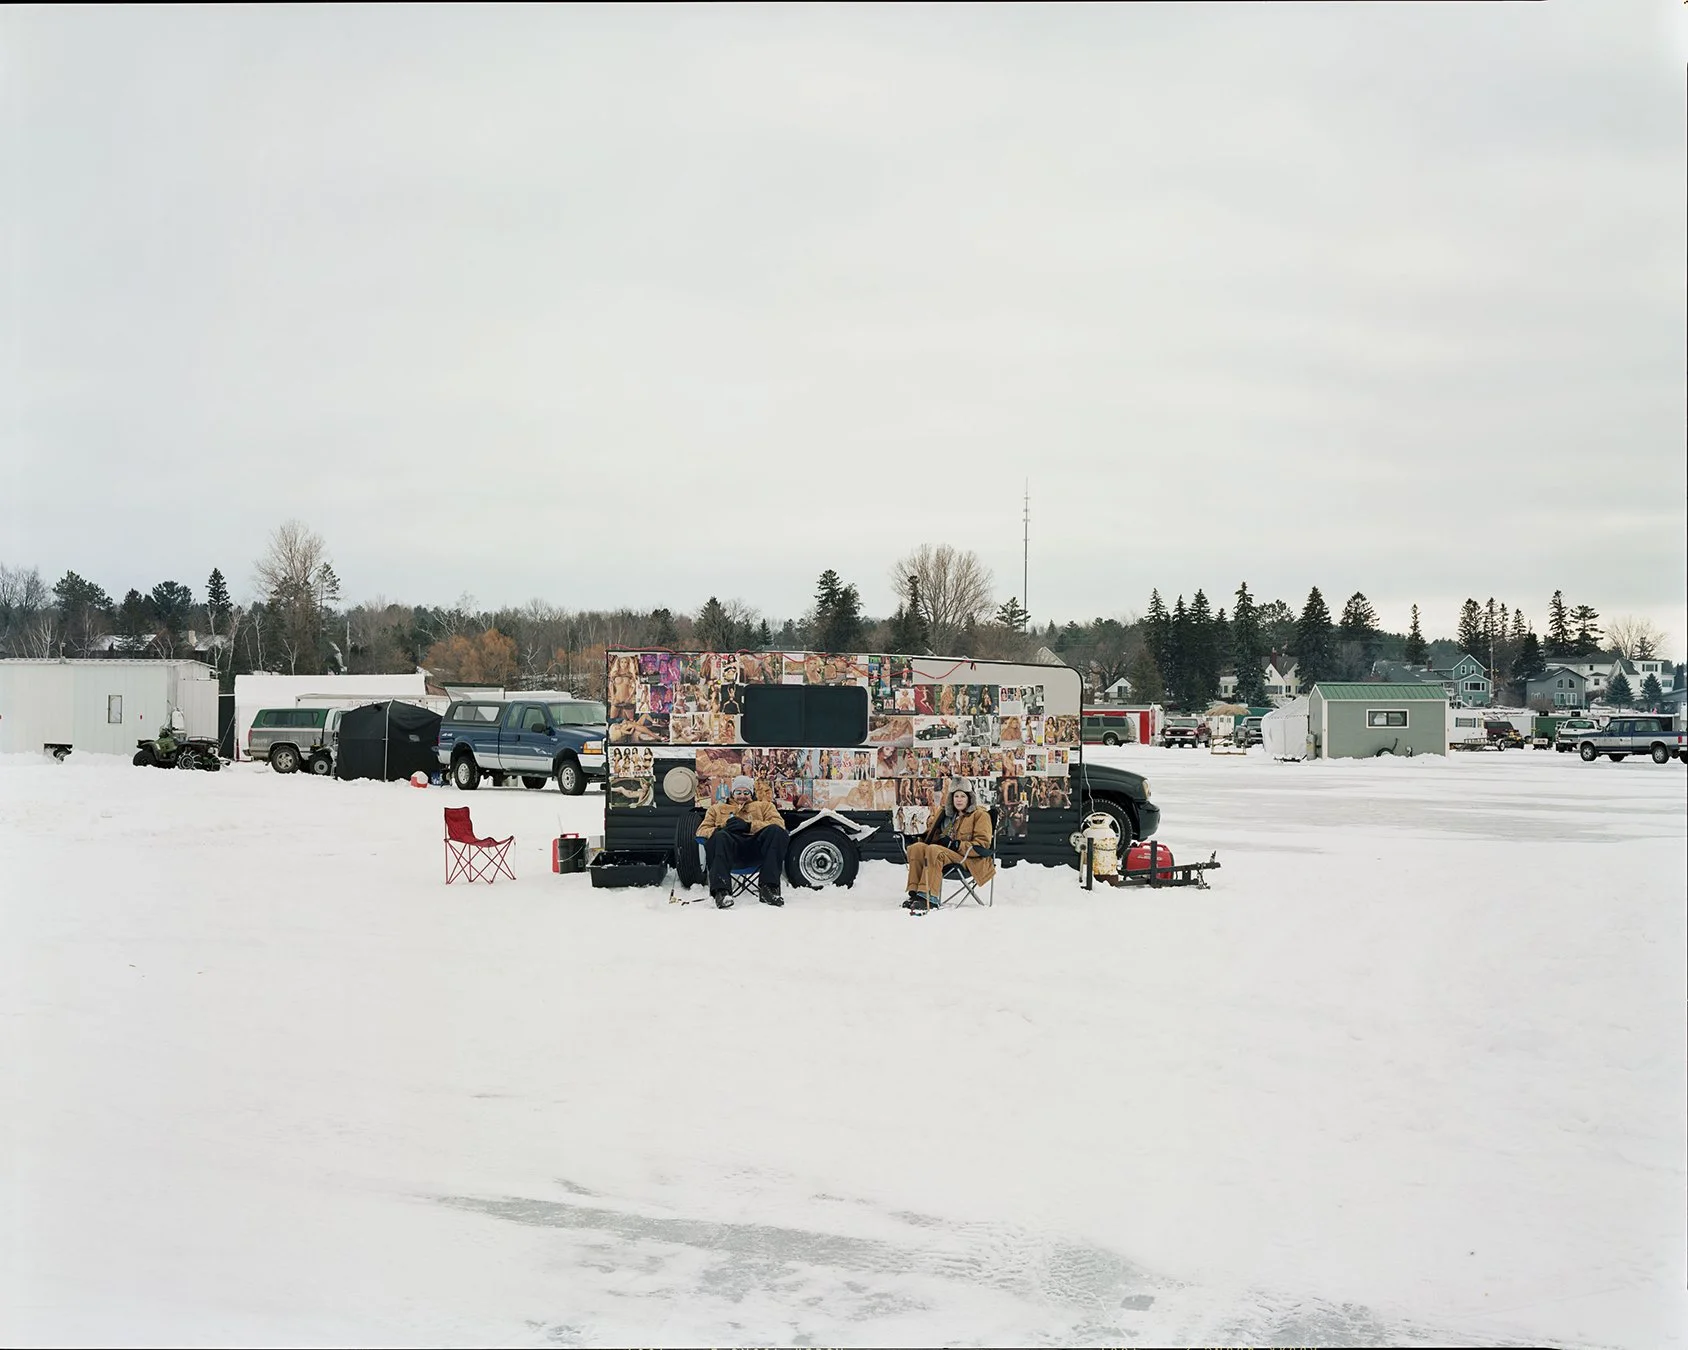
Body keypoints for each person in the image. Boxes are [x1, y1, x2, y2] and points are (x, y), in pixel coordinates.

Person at [698, 776, 789, 908]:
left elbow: (779, 824)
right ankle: (721, 892)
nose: (742, 796)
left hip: (757, 850)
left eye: (746, 793)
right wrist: (723, 827)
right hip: (729, 852)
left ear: (751, 793)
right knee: (719, 836)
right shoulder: (716, 809)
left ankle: (768, 889)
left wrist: (749, 826)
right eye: (738, 792)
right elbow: (701, 831)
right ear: (732, 793)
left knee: (776, 831)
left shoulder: (765, 806)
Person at [903, 786, 993, 912]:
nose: (959, 800)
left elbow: (982, 844)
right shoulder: (948, 816)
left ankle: (929, 897)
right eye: (956, 796)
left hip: (969, 859)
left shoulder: (980, 815)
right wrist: (914, 838)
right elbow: (934, 836)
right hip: (947, 855)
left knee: (934, 850)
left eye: (963, 796)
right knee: (916, 848)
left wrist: (956, 845)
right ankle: (915, 894)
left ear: (970, 798)